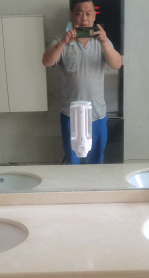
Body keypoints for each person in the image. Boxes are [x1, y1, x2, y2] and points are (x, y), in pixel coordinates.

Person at [42, 0, 122, 165]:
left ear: (94, 16)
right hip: (70, 116)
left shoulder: (102, 41)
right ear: (71, 15)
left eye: (88, 13)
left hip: (97, 114)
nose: (84, 18)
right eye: (79, 13)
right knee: (73, 161)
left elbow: (116, 64)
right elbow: (47, 62)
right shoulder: (61, 40)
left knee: (96, 161)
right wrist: (64, 42)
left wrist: (104, 42)